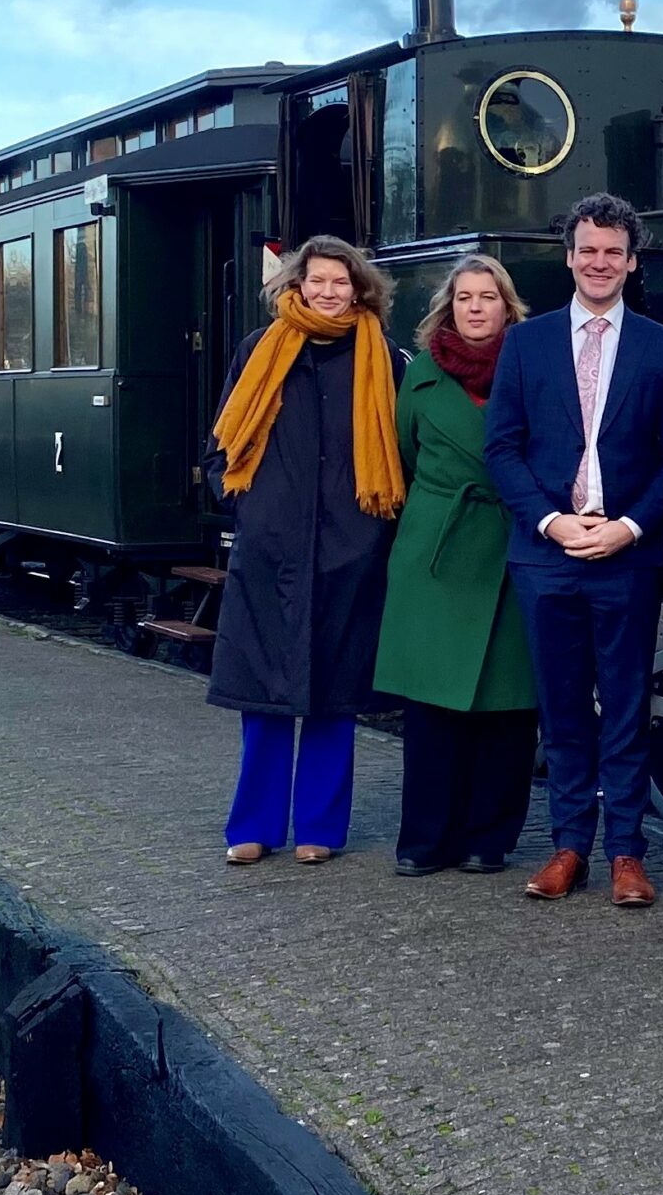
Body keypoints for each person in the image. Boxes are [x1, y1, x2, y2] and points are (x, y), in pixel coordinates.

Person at [483, 194, 663, 907]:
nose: (600, 262)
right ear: (569, 257)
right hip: (547, 556)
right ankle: (569, 844)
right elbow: (502, 449)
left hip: (627, 556)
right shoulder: (527, 342)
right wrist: (550, 522)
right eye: (588, 250)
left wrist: (630, 527)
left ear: (632, 263)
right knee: (563, 706)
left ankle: (628, 853)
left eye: (613, 252)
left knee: (629, 706)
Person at [206, 235, 407, 866]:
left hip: (351, 546)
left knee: (334, 693)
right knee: (263, 692)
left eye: (340, 282)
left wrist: (374, 530)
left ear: (359, 289)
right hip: (273, 543)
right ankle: (255, 825)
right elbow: (225, 437)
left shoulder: (385, 358)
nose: (328, 291)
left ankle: (320, 826)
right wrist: (244, 504)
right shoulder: (258, 350)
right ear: (295, 284)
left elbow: (401, 447)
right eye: (316, 280)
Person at [373, 255, 539, 878]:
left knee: (508, 705)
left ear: (506, 307)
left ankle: (488, 838)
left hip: (513, 543)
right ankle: (423, 838)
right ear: (449, 305)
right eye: (465, 296)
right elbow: (407, 454)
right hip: (438, 551)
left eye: (488, 297)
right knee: (432, 704)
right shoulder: (417, 381)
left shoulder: (531, 370)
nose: (475, 307)